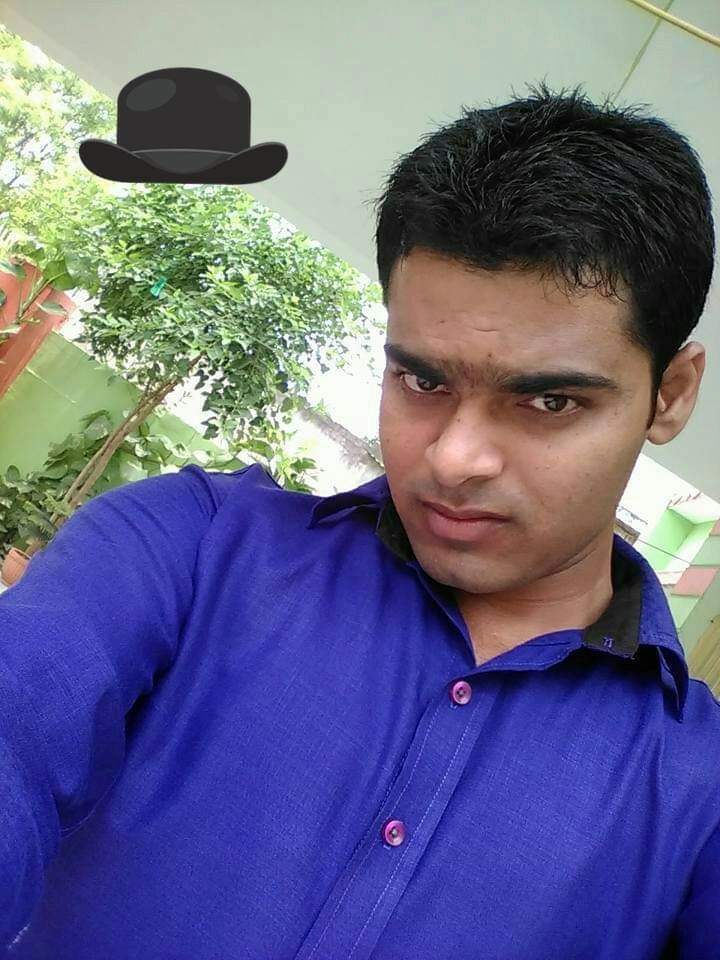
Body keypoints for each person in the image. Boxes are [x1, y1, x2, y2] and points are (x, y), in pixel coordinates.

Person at [1, 80, 718, 960]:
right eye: (422, 380)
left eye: (550, 401)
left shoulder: (699, 796)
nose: (454, 458)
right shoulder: (189, 552)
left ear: (670, 394)